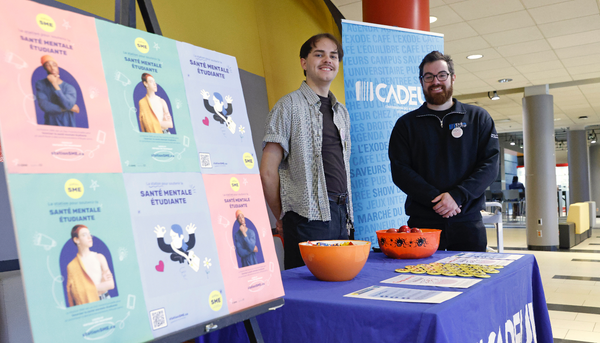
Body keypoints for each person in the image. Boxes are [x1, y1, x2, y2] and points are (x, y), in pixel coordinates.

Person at [388, 51, 499, 252]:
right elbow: (400, 170)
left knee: (472, 280)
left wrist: (457, 196)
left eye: (442, 75)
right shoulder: (406, 125)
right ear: (421, 81)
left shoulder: (478, 118)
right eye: (428, 76)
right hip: (422, 226)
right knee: (423, 281)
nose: (435, 81)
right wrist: (438, 199)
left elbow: (490, 166)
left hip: (468, 224)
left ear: (452, 78)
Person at [260, 33, 353, 269]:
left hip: (342, 215)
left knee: (340, 291)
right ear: (304, 62)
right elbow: (267, 172)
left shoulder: (341, 112)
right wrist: (283, 215)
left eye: (333, 56)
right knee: (309, 294)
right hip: (306, 218)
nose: (327, 60)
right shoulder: (287, 106)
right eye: (318, 54)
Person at [66, 224, 114, 307]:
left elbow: (110, 284)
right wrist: (101, 284)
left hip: (105, 299)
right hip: (88, 304)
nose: (89, 237)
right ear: (76, 240)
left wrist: (85, 289)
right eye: (84, 235)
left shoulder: (100, 257)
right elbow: (75, 293)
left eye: (89, 234)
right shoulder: (72, 266)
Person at [35, 55, 79, 127]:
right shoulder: (41, 84)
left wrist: (54, 84)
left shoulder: (69, 88)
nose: (52, 68)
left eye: (54, 65)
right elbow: (44, 106)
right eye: (48, 65)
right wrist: (70, 108)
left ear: (57, 67)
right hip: (51, 125)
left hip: (68, 126)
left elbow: (67, 104)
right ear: (45, 68)